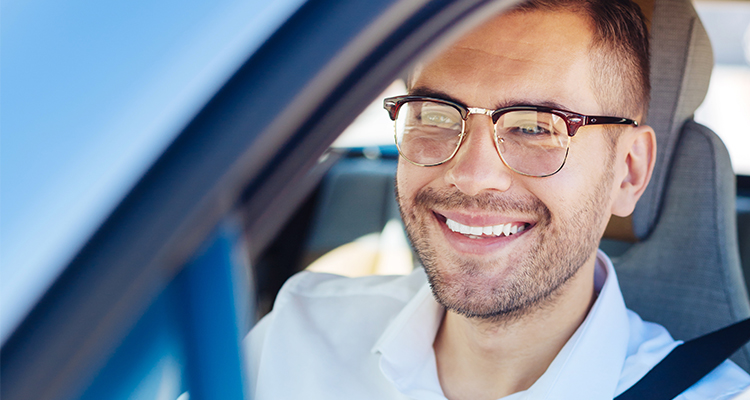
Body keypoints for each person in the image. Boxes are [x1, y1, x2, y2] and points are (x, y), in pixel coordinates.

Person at [245, 0, 750, 398]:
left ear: (628, 172)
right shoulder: (294, 338)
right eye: (438, 115)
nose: (472, 176)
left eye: (535, 126)